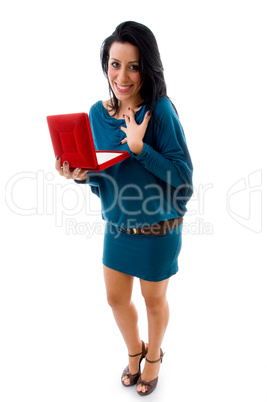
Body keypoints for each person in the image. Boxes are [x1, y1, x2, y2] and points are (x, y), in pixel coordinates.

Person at [55, 21, 193, 396]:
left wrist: (140, 148)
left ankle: (153, 358)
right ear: (106, 65)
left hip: (158, 230)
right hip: (118, 225)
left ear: (147, 68)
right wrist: (81, 175)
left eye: (133, 66)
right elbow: (106, 178)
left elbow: (183, 179)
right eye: (115, 64)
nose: (122, 75)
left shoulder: (159, 111)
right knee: (115, 299)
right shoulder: (97, 114)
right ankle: (134, 350)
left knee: (153, 301)